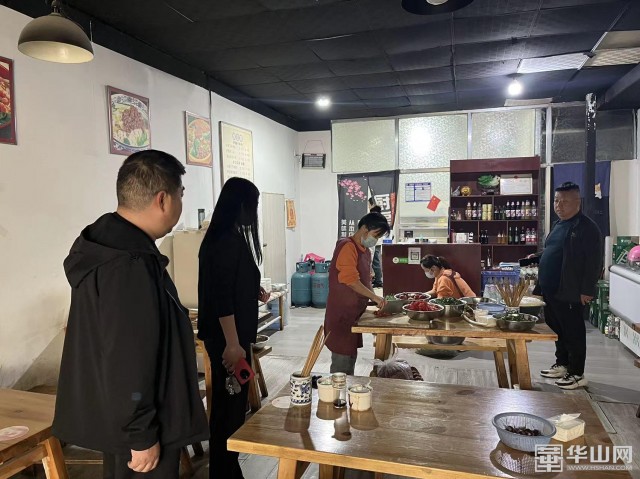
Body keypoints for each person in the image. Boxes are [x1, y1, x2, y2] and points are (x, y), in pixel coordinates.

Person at [53, 150, 209, 479]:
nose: (181, 203)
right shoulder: (129, 264)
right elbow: (128, 356)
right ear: (163, 199)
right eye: (181, 194)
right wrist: (141, 434)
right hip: (142, 424)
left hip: (123, 415)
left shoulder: (107, 245)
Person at [198, 177, 270, 479]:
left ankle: (226, 469)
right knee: (228, 410)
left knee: (231, 407)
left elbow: (231, 282)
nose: (254, 212)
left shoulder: (227, 236)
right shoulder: (224, 241)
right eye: (252, 205)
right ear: (240, 205)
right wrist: (232, 344)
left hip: (234, 339)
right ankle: (224, 471)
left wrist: (252, 289)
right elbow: (221, 298)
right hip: (228, 342)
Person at [532, 182, 602, 390]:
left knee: (573, 331)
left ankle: (577, 373)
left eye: (564, 201)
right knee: (557, 328)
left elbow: (594, 261)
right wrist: (537, 258)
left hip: (570, 289)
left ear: (577, 202)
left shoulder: (587, 228)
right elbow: (553, 251)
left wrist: (587, 290)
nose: (559, 205)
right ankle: (562, 363)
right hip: (551, 288)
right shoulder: (558, 225)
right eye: (556, 201)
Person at [324, 212, 390, 375]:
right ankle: (337, 391)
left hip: (353, 313)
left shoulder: (365, 251)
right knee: (342, 362)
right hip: (342, 314)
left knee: (350, 357)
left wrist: (375, 299)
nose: (376, 240)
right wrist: (374, 297)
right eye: (376, 235)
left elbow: (365, 280)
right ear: (365, 229)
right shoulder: (347, 246)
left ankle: (346, 389)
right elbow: (351, 281)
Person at [369, 204, 384, 288]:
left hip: (374, 242)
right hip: (377, 242)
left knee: (374, 262)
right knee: (376, 262)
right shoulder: (381, 219)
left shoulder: (375, 220)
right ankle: (378, 279)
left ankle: (378, 281)